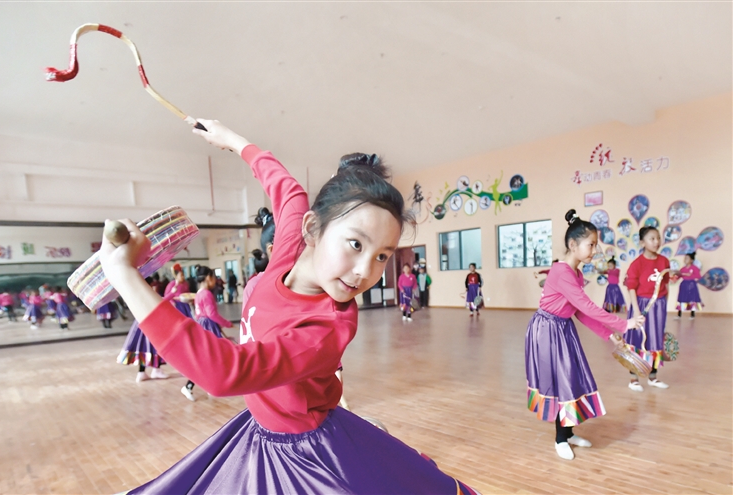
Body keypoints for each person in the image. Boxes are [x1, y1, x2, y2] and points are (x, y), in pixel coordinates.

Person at [97, 119, 478, 494]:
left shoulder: (326, 328)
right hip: (259, 432)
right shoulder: (288, 249)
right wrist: (233, 140)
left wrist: (125, 276)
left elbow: (224, 372)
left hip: (305, 455)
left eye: (382, 256)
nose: (365, 271)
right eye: (356, 244)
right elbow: (286, 188)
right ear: (311, 229)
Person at [525, 209, 642, 461]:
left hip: (562, 328)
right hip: (547, 331)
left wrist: (609, 334)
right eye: (591, 244)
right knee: (560, 383)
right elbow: (587, 306)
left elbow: (580, 312)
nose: (594, 250)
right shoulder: (561, 272)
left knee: (571, 379)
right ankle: (560, 439)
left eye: (595, 245)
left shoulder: (576, 274)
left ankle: (567, 433)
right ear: (572, 245)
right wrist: (624, 324)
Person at [624, 226, 671, 391]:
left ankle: (653, 377)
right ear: (642, 242)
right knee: (637, 340)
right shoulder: (636, 264)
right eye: (652, 238)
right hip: (641, 305)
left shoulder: (664, 261)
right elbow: (631, 288)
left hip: (658, 306)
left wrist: (664, 304)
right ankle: (633, 379)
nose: (656, 242)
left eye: (658, 238)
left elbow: (665, 283)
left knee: (656, 340)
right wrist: (636, 311)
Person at [181, 265, 234, 401]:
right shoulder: (206, 294)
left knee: (209, 357)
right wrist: (227, 323)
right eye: (214, 277)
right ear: (208, 278)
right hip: (208, 325)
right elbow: (212, 314)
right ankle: (189, 386)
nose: (215, 280)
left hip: (203, 325)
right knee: (212, 357)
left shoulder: (199, 293)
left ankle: (209, 386)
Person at [676, 252, 703, 319]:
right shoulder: (682, 269)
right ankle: (679, 315)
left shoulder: (695, 268)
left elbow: (699, 277)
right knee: (681, 298)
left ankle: (692, 315)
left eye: (687, 258)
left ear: (691, 260)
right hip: (684, 285)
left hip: (692, 285)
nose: (685, 259)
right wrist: (674, 275)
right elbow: (678, 276)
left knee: (692, 299)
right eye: (685, 258)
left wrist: (689, 275)